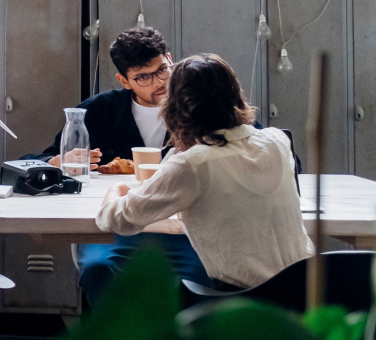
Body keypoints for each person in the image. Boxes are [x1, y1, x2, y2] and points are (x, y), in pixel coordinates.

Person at [22, 27, 215, 304]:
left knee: (198, 279)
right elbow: (32, 162)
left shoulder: (199, 105)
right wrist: (58, 162)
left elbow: (250, 139)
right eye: (143, 77)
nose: (158, 82)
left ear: (170, 60)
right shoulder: (99, 111)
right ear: (124, 80)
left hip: (183, 231)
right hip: (115, 232)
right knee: (99, 271)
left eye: (162, 69)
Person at [96, 54, 313, 287]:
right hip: (308, 290)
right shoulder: (277, 140)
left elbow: (117, 220)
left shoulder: (192, 165)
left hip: (244, 298)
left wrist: (117, 188)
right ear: (236, 95)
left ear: (175, 108)